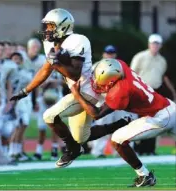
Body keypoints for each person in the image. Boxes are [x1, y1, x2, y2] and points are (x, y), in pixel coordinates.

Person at [10, 8, 131, 168]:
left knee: (49, 116)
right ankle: (118, 125)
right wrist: (26, 91)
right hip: (77, 90)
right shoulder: (50, 43)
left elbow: (74, 73)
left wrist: (56, 62)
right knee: (81, 136)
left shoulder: (78, 40)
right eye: (46, 26)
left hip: (87, 91)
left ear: (63, 26)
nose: (47, 30)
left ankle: (72, 149)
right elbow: (46, 69)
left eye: (51, 26)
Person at [70, 58, 176, 187]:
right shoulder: (121, 66)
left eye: (104, 83)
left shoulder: (120, 90)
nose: (99, 85)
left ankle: (144, 175)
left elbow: (96, 114)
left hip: (160, 117)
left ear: (113, 80)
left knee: (117, 140)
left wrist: (77, 95)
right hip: (170, 106)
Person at [130, 34, 176, 155]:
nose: (155, 46)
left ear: (160, 46)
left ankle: (150, 149)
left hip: (155, 93)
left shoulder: (162, 61)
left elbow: (162, 78)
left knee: (155, 121)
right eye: (153, 43)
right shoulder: (140, 57)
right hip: (141, 92)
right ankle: (138, 148)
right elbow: (131, 74)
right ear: (149, 44)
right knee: (141, 121)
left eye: (157, 44)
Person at [91, 45, 137, 158]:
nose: (109, 55)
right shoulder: (96, 66)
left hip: (119, 100)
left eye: (112, 53)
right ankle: (98, 151)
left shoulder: (121, 66)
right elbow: (90, 83)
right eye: (108, 53)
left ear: (115, 54)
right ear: (103, 54)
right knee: (102, 126)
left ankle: (120, 150)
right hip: (103, 100)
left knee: (121, 126)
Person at [8, 52, 33, 161]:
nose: (16, 61)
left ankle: (17, 151)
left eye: (18, 59)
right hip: (14, 101)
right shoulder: (8, 72)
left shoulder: (25, 73)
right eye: (14, 59)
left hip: (25, 100)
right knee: (16, 127)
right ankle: (11, 151)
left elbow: (32, 85)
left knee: (24, 125)